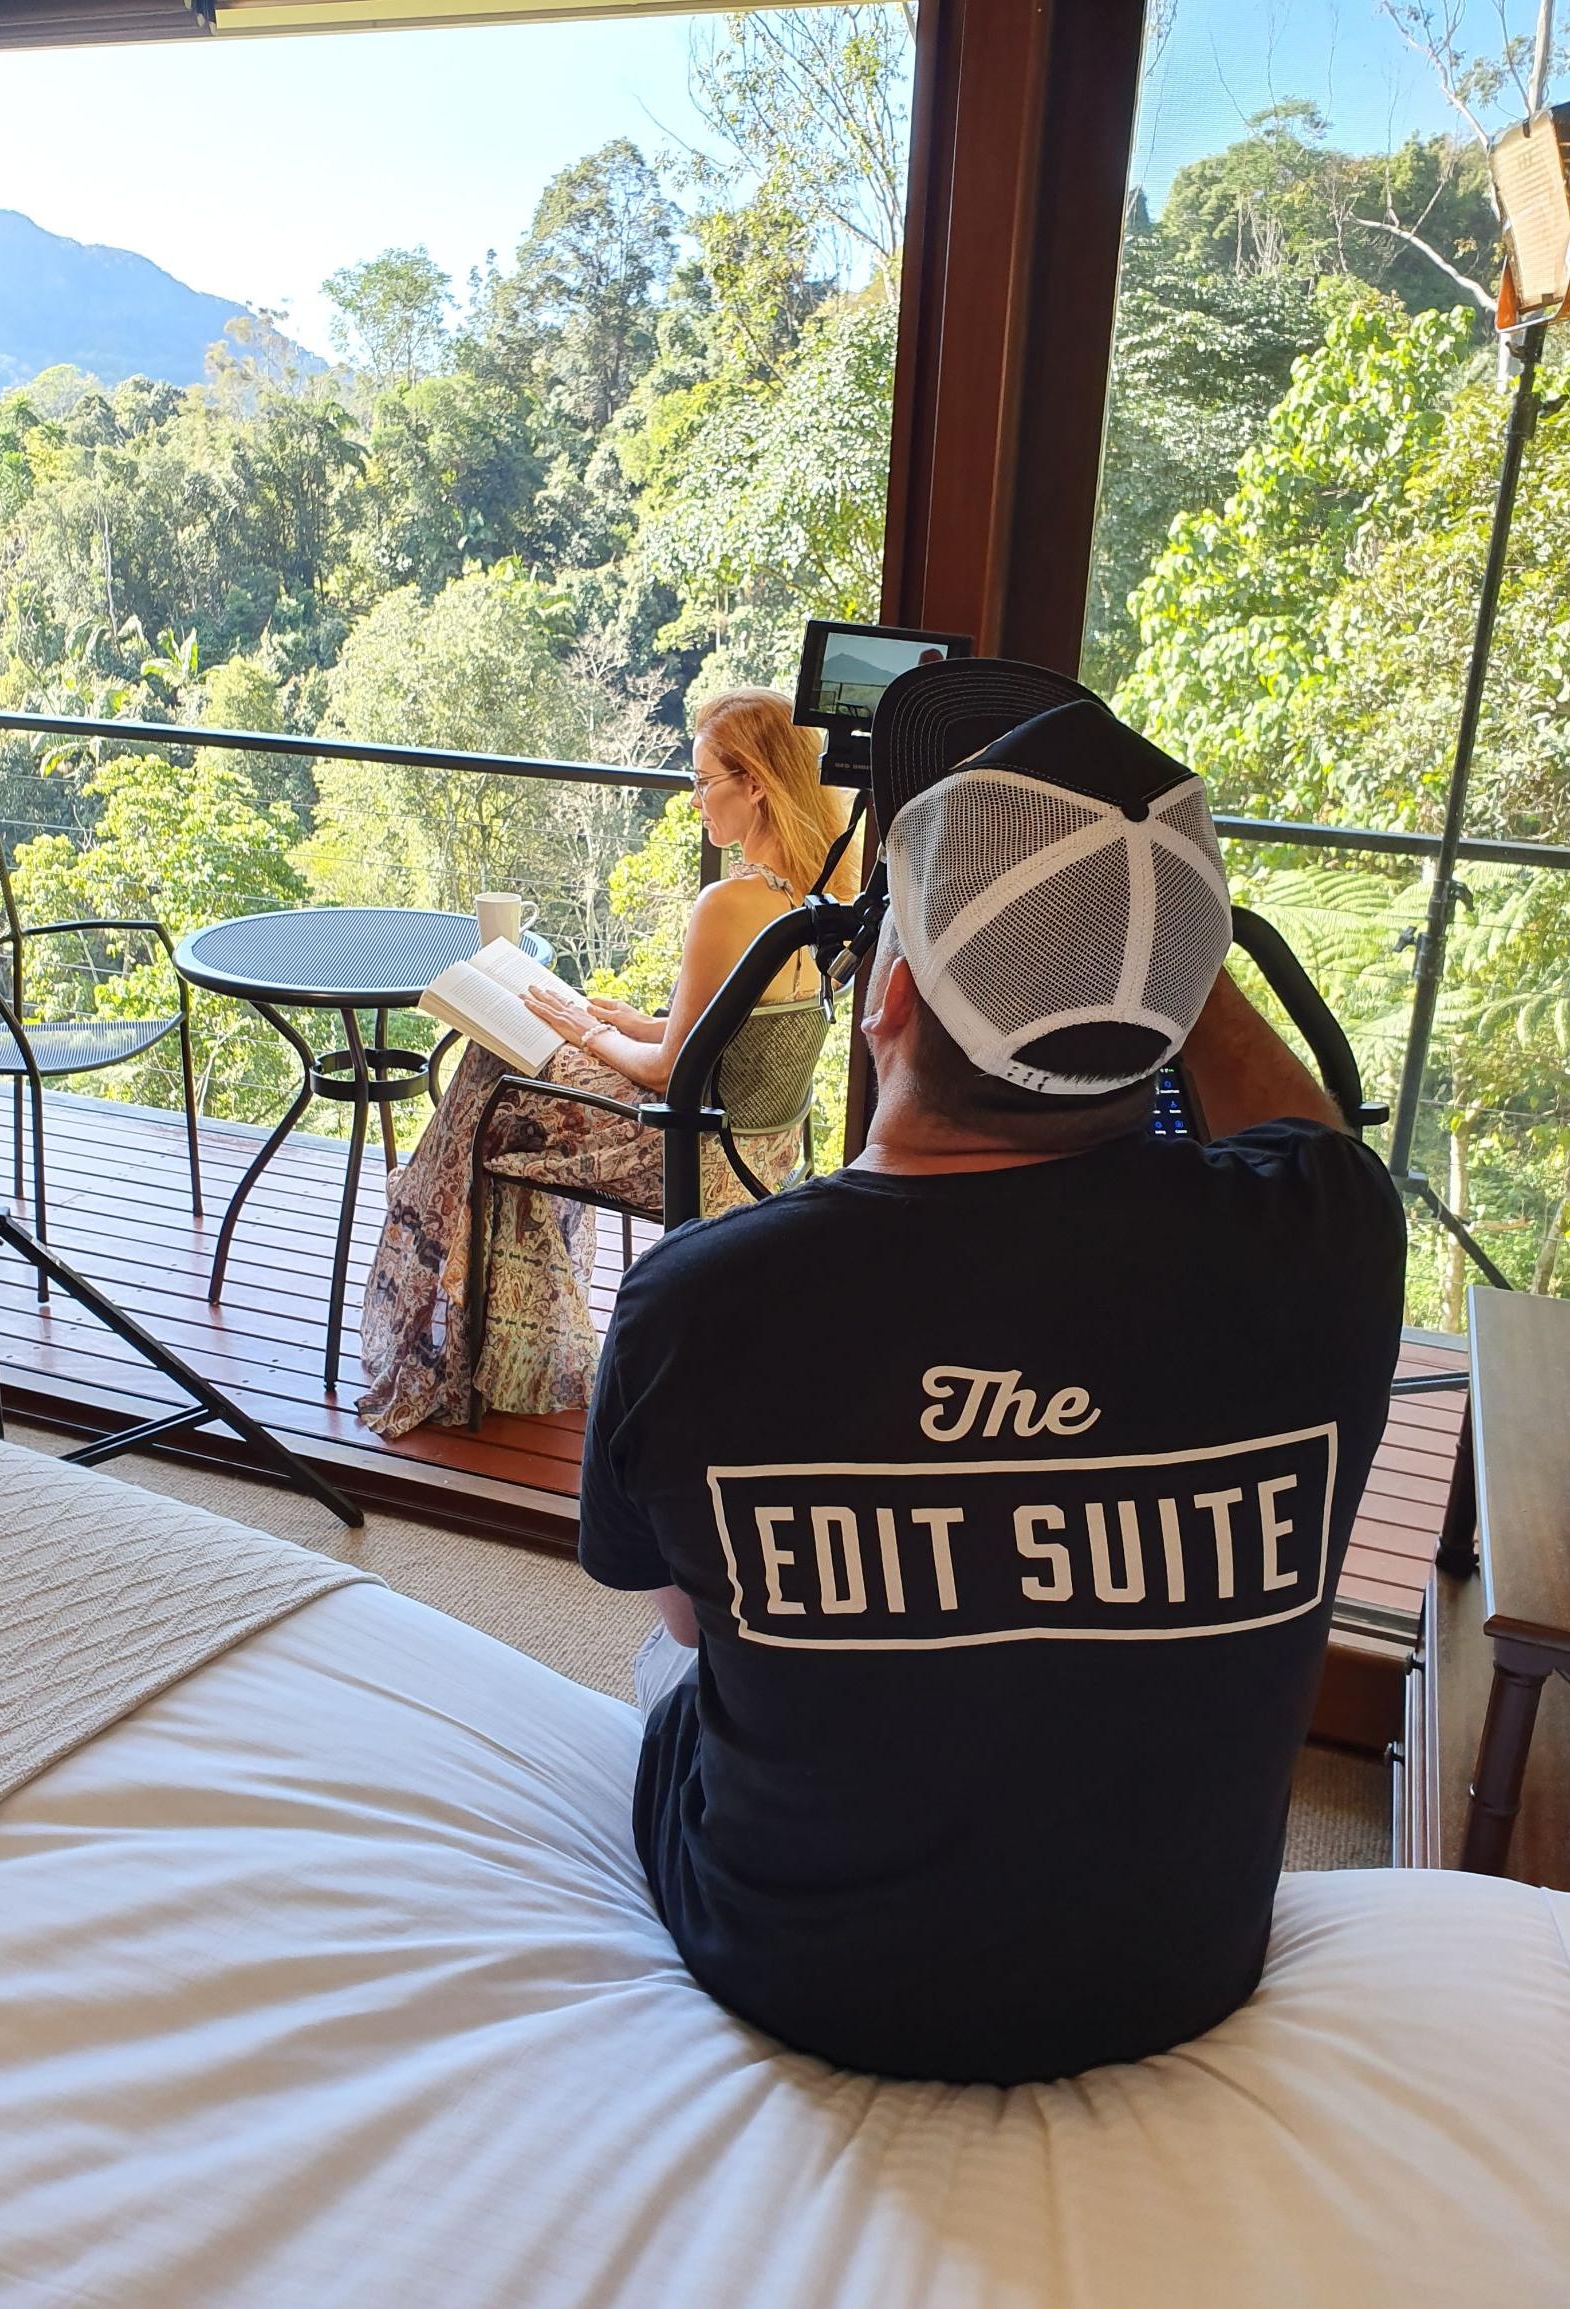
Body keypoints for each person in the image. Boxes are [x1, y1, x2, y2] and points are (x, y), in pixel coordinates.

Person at [577, 665, 1407, 2087]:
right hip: (1171, 1970)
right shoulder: (1322, 1243)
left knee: (675, 1660)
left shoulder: (697, 1305)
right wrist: (1145, 933)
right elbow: (1312, 1137)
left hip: (797, 1973)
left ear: (887, 992)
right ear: (1172, 1007)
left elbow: (688, 1620)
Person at [358, 689, 856, 1436]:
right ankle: (503, 1324)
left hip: (693, 1147)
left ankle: (442, 1284)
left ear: (755, 784)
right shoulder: (826, 891)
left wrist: (587, 1032)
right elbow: (733, 1031)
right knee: (510, 1077)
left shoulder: (728, 903)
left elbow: (665, 1073)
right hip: (763, 1144)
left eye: (704, 781)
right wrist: (627, 1021)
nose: (695, 800)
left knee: (491, 1073)